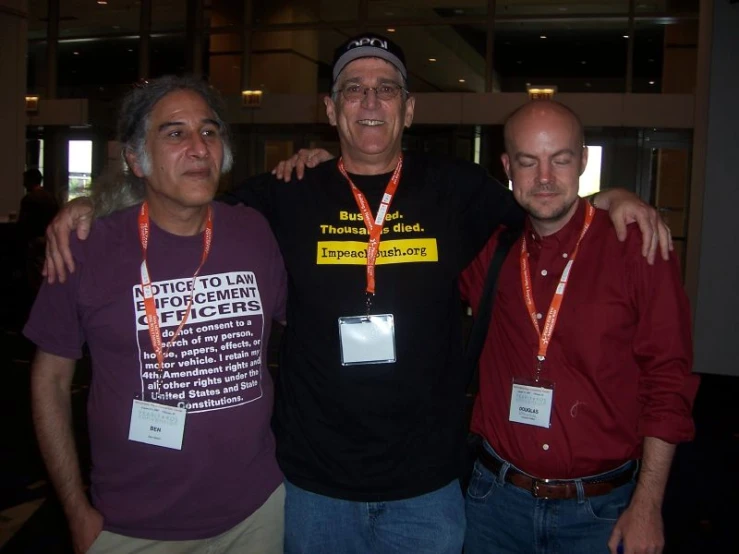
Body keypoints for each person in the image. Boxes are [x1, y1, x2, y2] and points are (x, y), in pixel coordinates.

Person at [44, 36, 671, 554]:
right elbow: (182, 195)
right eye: (354, 89)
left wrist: (613, 198)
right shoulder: (287, 193)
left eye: (387, 89)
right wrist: (87, 207)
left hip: (428, 487)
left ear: (409, 109)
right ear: (332, 107)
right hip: (313, 487)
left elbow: (548, 198)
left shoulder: (459, 190)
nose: (370, 102)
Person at [26, 76, 287, 554]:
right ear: (134, 158)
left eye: (209, 132)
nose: (198, 148)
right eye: (175, 134)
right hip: (133, 528)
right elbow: (49, 382)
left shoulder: (253, 231)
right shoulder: (85, 249)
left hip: (258, 513)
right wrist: (75, 512)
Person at [460, 100, 699, 554]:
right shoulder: (489, 252)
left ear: (584, 160)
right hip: (494, 506)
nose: (545, 177)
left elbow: (669, 379)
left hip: (600, 514)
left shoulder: (637, 247)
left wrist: (648, 505)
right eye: (528, 162)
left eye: (561, 159)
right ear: (508, 166)